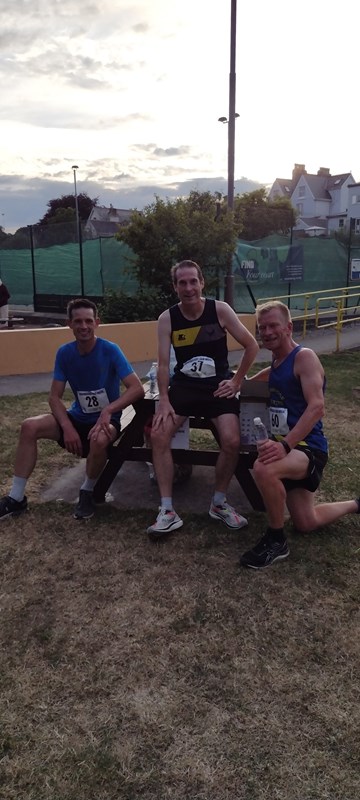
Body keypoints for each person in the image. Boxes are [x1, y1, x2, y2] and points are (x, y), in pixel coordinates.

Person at [240, 300, 360, 569]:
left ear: (289, 327)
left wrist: (284, 446)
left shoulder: (304, 357)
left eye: (273, 326)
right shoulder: (279, 358)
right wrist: (239, 383)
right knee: (306, 523)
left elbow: (317, 407)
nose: (267, 332)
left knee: (264, 467)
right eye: (262, 328)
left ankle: (276, 540)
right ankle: (356, 504)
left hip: (308, 448)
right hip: (291, 448)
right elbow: (272, 374)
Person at [0, 298, 144, 521]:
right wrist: (67, 427)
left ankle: (87, 492)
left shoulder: (110, 350)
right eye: (78, 321)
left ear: (97, 322)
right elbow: (54, 397)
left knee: (98, 439)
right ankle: (16, 498)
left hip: (108, 420)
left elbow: (136, 388)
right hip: (77, 417)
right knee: (29, 426)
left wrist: (108, 411)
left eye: (88, 321)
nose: (83, 326)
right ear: (69, 324)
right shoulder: (65, 353)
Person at [147, 259, 259, 539]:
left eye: (193, 281)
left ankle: (219, 503)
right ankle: (167, 510)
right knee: (159, 435)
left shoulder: (220, 310)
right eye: (182, 283)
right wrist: (163, 400)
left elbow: (251, 345)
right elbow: (162, 365)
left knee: (232, 441)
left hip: (216, 387)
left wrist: (235, 381)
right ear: (175, 287)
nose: (188, 288)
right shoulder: (167, 318)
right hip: (184, 386)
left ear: (202, 283)